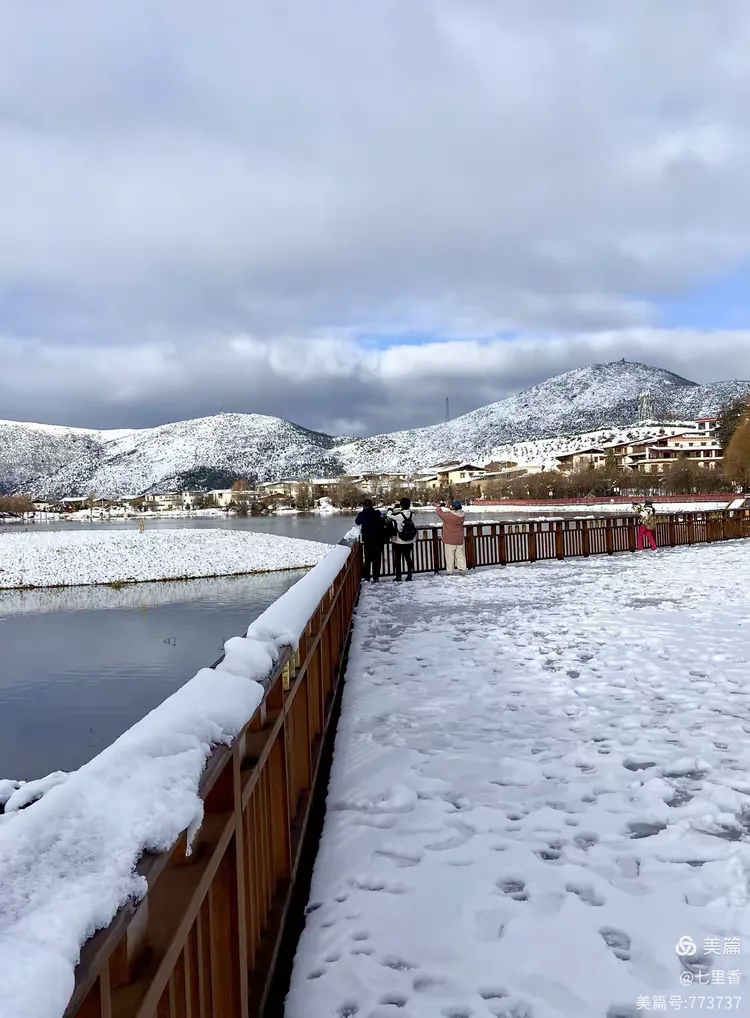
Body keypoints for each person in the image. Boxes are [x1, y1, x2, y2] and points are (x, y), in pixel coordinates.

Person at [355, 498, 387, 582]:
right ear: (371, 505)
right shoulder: (377, 513)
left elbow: (357, 522)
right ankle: (376, 577)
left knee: (368, 559)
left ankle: (367, 577)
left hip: (368, 540)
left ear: (364, 506)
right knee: (377, 559)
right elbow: (383, 520)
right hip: (378, 539)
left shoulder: (362, 514)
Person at [386, 497, 417, 581]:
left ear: (401, 505)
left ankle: (398, 576)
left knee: (397, 559)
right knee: (408, 557)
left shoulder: (398, 516)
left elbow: (388, 515)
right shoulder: (413, 515)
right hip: (410, 540)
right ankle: (409, 575)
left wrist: (391, 508)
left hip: (399, 541)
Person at [436, 499, 467, 574]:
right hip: (459, 539)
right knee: (460, 555)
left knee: (450, 556)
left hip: (449, 539)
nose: (450, 506)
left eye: (451, 505)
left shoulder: (449, 516)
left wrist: (438, 506)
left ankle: (450, 571)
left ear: (453, 507)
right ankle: (463, 569)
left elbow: (439, 513)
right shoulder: (462, 514)